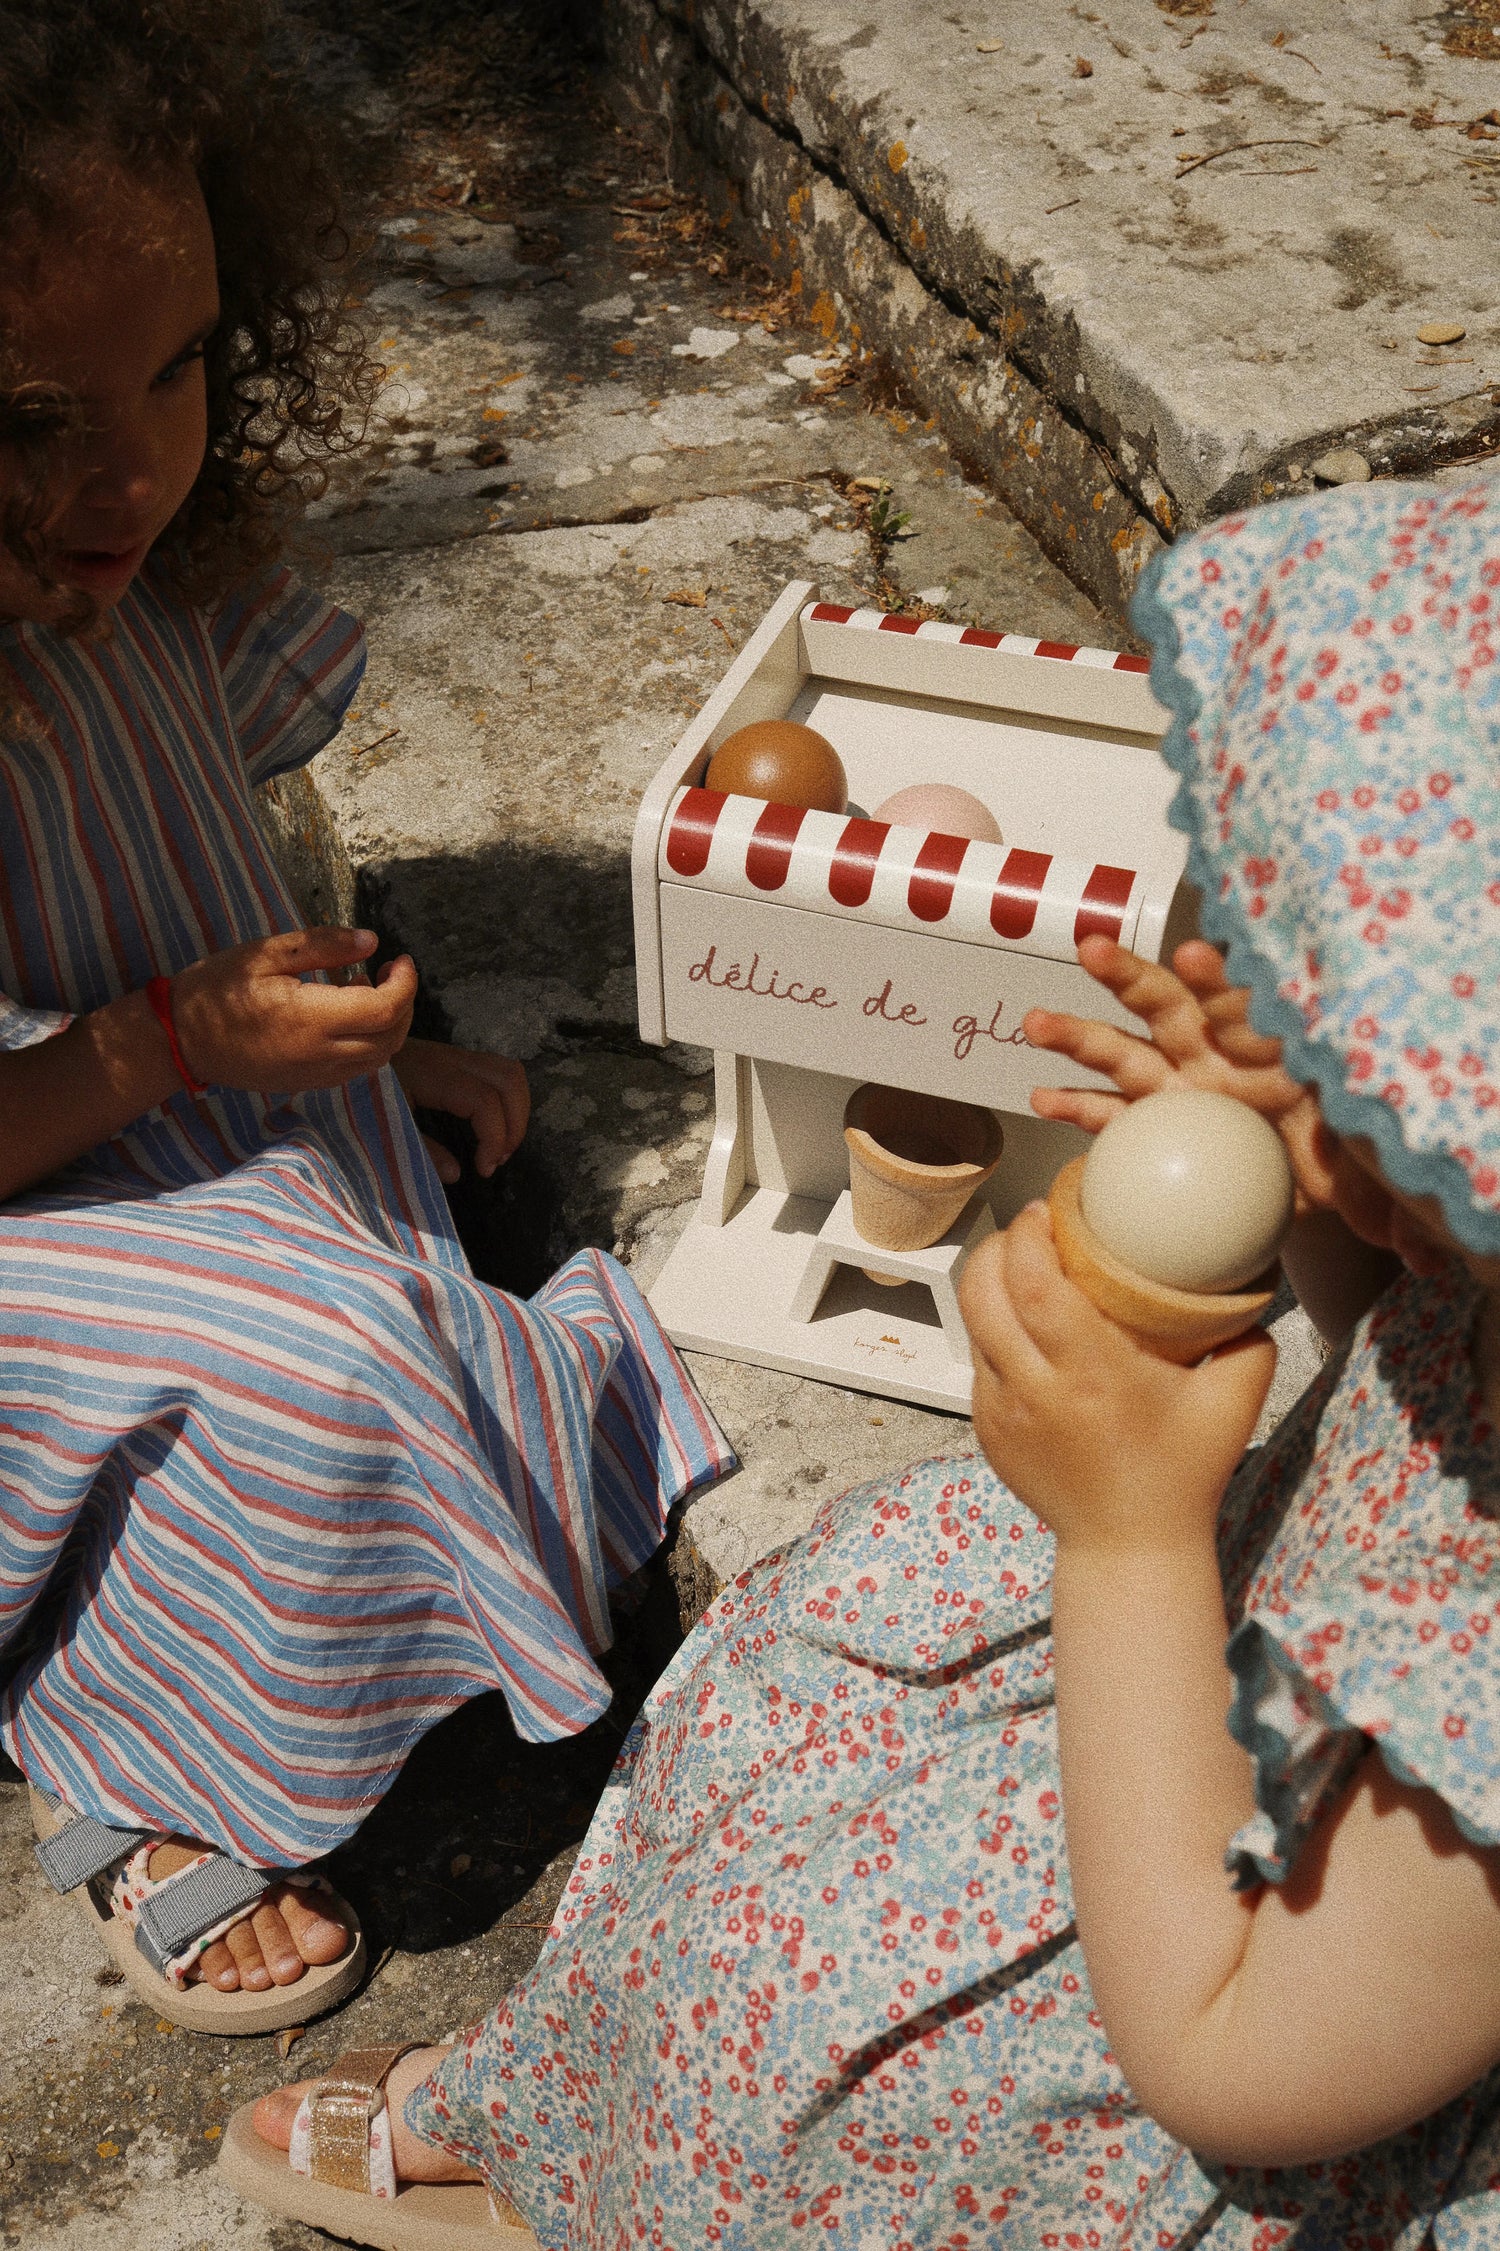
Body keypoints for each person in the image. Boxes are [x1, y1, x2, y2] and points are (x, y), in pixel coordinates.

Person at [232, 466, 1500, 2246]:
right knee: (803, 1692)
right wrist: (1305, 1196)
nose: (1298, 1051)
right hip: (1225, 1701)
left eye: (1373, 1060)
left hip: (1242, 1994)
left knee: (834, 2064)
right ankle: (574, 2078)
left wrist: (1130, 1535)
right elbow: (1411, 1376)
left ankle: (608, 2150)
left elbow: (1240, 2061)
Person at [0, 0, 731, 2035]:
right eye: (35, 418)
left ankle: (330, 1580)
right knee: (313, 1357)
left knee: (395, 1296)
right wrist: (167, 1048)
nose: (137, 463)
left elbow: (172, 850)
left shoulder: (119, 580)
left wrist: (353, 1052)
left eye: (182, 368)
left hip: (173, 1098)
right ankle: (132, 1759)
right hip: (46, 1183)